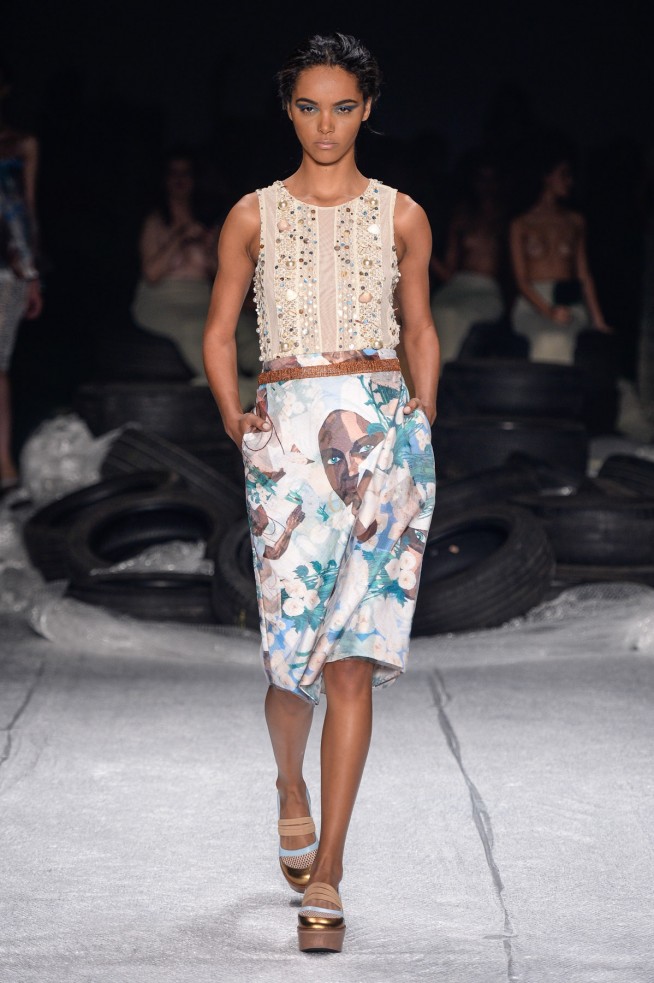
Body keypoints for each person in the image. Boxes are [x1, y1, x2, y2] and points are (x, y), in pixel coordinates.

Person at [202, 32, 439, 953]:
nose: (326, 124)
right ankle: (289, 784)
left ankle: (330, 869)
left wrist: (423, 417)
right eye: (309, 106)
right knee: (289, 664)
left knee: (352, 661)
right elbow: (220, 329)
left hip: (382, 438)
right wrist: (235, 418)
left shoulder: (403, 215)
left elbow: (420, 327)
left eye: (343, 107)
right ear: (288, 109)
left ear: (367, 109)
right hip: (288, 441)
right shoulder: (252, 215)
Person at [509, 133, 611, 364]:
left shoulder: (575, 221)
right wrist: (548, 310)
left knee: (561, 338)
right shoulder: (521, 224)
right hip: (532, 303)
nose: (569, 182)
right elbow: (521, 280)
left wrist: (598, 320)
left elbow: (584, 274)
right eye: (564, 175)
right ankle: (545, 385)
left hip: (568, 301)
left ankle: (560, 385)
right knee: (546, 338)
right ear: (546, 176)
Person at [130, 148, 219, 381]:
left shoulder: (208, 223)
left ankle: (271, 383)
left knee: (242, 328)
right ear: (165, 179)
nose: (179, 179)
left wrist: (206, 246)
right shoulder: (155, 222)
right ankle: (228, 389)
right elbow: (151, 274)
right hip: (162, 300)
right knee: (194, 327)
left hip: (201, 298)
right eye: (173, 173)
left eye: (186, 173)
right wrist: (179, 237)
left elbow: (220, 275)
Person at [0, 61, 43, 492]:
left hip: (8, 270)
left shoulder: (21, 143)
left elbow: (27, 210)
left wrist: (33, 277)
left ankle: (5, 466)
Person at [430, 149, 506, 366]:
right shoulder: (462, 216)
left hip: (488, 290)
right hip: (457, 286)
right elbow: (448, 271)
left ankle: (446, 374)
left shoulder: (508, 219)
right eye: (482, 179)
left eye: (492, 179)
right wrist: (421, 251)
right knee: (442, 311)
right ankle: (437, 376)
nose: (487, 186)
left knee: (457, 315)